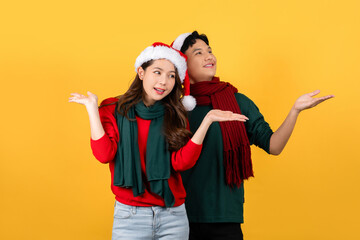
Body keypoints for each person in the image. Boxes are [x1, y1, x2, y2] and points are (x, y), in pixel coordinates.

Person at [69, 42, 248, 240]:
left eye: (171, 75)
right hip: (130, 217)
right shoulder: (113, 109)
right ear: (141, 72)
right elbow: (105, 154)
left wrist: (207, 122)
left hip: (173, 216)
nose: (164, 81)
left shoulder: (176, 113)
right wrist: (92, 110)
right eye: (157, 72)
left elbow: (181, 163)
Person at [171, 31, 334, 240]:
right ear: (183, 64)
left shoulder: (238, 102)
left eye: (210, 51)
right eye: (198, 52)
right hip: (179, 218)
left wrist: (295, 110)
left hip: (226, 219)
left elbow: (273, 146)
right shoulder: (175, 109)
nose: (209, 56)